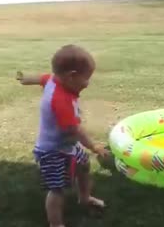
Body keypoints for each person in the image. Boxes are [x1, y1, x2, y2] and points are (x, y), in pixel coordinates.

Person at [18, 44, 109, 227]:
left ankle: (84, 197)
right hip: (53, 151)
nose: (88, 83)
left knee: (83, 166)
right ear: (71, 76)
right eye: (86, 78)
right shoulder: (62, 101)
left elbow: (41, 78)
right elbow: (75, 131)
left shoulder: (54, 80)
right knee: (57, 189)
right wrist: (93, 146)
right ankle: (56, 224)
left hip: (67, 146)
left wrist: (25, 79)